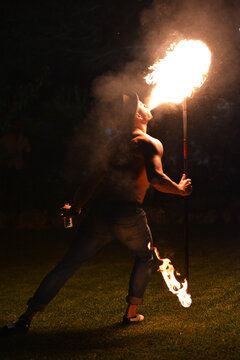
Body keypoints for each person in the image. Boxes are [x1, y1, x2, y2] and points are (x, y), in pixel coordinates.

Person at [1, 92, 192, 336]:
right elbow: (156, 178)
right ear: (137, 115)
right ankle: (131, 314)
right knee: (144, 258)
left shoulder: (112, 145)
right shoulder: (149, 142)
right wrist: (180, 190)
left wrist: (76, 206)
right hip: (128, 214)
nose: (146, 104)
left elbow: (91, 181)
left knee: (67, 264)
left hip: (100, 213)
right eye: (141, 104)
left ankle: (25, 319)